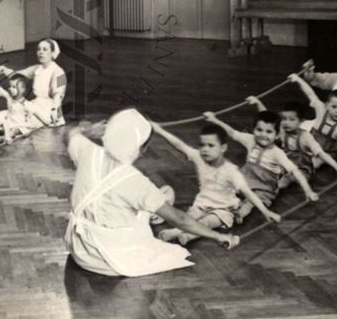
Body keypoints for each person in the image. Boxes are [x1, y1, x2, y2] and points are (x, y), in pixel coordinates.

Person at [64, 109, 239, 277]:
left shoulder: (88, 150)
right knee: (157, 200)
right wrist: (218, 235)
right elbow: (180, 219)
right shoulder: (135, 181)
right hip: (107, 258)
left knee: (155, 197)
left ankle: (151, 212)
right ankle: (152, 214)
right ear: (143, 148)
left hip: (78, 248)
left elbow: (70, 134)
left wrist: (88, 131)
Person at [151, 122, 281, 246]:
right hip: (202, 205)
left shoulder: (231, 170)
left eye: (211, 145)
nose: (205, 149)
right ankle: (177, 231)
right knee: (189, 217)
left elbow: (248, 192)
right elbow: (179, 144)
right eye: (202, 145)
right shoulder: (198, 157)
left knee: (208, 222)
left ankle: (188, 236)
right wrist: (159, 130)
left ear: (223, 148)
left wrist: (266, 212)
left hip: (224, 209)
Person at [205, 111, 318, 224]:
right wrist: (214, 120)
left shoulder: (277, 153)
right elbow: (231, 132)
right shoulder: (250, 139)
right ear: (254, 130)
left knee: (251, 202)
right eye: (259, 130)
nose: (263, 135)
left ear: (277, 135)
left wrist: (308, 191)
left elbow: (295, 171)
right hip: (244, 178)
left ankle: (240, 213)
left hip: (263, 187)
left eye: (269, 131)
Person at [246, 86, 337, 189]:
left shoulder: (306, 137)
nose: (286, 123)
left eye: (292, 120)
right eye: (284, 119)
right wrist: (258, 103)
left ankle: (268, 190)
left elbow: (322, 154)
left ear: (301, 122)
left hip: (302, 168)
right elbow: (268, 118)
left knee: (287, 178)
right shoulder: (284, 130)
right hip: (287, 163)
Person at [0, 39, 67, 126]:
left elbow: (59, 95)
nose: (40, 52)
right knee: (9, 114)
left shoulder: (59, 72)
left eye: (45, 49)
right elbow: (18, 75)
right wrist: (5, 70)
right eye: (39, 49)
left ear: (52, 53)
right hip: (36, 103)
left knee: (20, 120)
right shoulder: (37, 68)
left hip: (50, 108)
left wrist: (55, 111)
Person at [0, 72, 47, 140]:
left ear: (22, 89)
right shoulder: (9, 98)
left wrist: (48, 123)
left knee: (15, 130)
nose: (10, 89)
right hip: (10, 123)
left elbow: (38, 114)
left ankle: (2, 138)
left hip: (20, 126)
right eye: (10, 86)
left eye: (14, 87)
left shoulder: (26, 104)